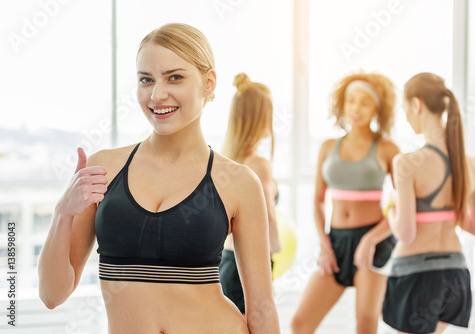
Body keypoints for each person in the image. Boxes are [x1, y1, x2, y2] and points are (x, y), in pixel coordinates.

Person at [37, 23, 280, 334]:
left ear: (208, 83)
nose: (157, 94)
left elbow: (260, 307)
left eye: (174, 77)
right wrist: (63, 212)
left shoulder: (238, 181)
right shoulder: (104, 169)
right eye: (146, 80)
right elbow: (52, 294)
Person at [291, 72, 400, 334]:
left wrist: (372, 239)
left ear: (377, 108)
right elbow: (318, 201)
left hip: (373, 242)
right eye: (351, 100)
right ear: (342, 104)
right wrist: (324, 245)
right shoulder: (328, 147)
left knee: (365, 324)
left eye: (364, 102)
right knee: (299, 323)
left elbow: (404, 206)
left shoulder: (387, 148)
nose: (356, 108)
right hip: (336, 241)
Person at [383, 72, 475, 334]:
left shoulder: (406, 163)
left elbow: (406, 234)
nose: (406, 117)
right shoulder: (471, 163)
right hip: (455, 274)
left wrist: (390, 207)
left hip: (417, 275)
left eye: (405, 109)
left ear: (416, 105)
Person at [219, 73, 282, 315]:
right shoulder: (258, 164)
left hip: (225, 263)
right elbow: (268, 215)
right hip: (250, 266)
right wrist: (274, 249)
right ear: (262, 117)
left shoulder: (226, 161)